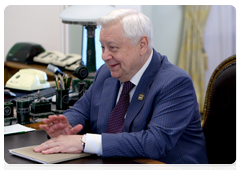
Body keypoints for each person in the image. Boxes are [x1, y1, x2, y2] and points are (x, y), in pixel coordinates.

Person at [33, 9, 209, 169]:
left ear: (142, 45)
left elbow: (154, 143)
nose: (104, 56)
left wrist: (84, 141)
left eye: (113, 48)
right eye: (102, 47)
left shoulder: (175, 82)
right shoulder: (106, 72)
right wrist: (67, 126)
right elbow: (82, 110)